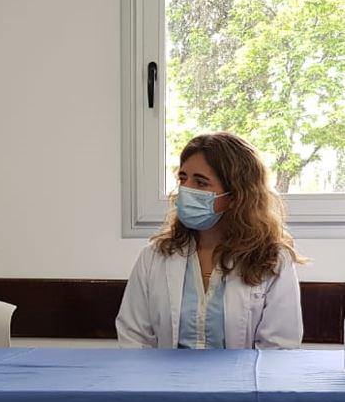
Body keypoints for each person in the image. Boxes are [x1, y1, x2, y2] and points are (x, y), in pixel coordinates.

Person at [116, 132, 305, 349]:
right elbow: (134, 339)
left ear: (235, 196)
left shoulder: (273, 260)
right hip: (164, 372)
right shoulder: (154, 256)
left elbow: (279, 348)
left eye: (201, 182)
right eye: (183, 179)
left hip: (242, 373)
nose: (186, 190)